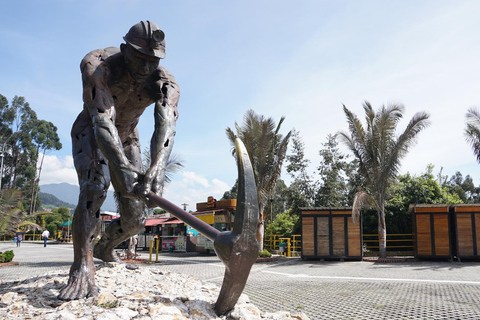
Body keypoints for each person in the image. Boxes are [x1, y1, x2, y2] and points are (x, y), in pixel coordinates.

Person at [58, 20, 179, 301]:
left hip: (128, 138)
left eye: (153, 61)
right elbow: (102, 118)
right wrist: (122, 169)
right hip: (91, 129)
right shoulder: (98, 64)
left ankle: (104, 248)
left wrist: (157, 169)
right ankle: (82, 265)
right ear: (124, 49)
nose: (146, 67)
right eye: (140, 59)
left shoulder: (164, 82)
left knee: (136, 218)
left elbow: (166, 125)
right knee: (95, 187)